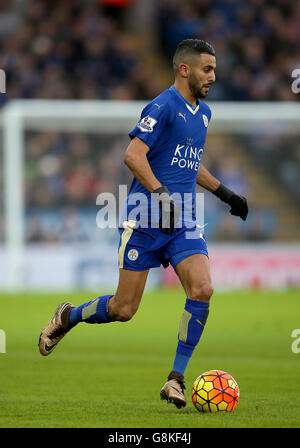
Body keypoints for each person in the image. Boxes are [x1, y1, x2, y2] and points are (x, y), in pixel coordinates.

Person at [38, 39, 248, 409]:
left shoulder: (203, 113)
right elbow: (133, 155)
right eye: (207, 69)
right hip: (146, 218)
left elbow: (190, 162)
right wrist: (161, 194)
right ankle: (68, 316)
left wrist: (226, 194)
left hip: (182, 219)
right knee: (124, 309)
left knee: (202, 289)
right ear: (184, 69)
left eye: (214, 68)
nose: (213, 76)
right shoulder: (162, 105)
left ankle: (175, 380)